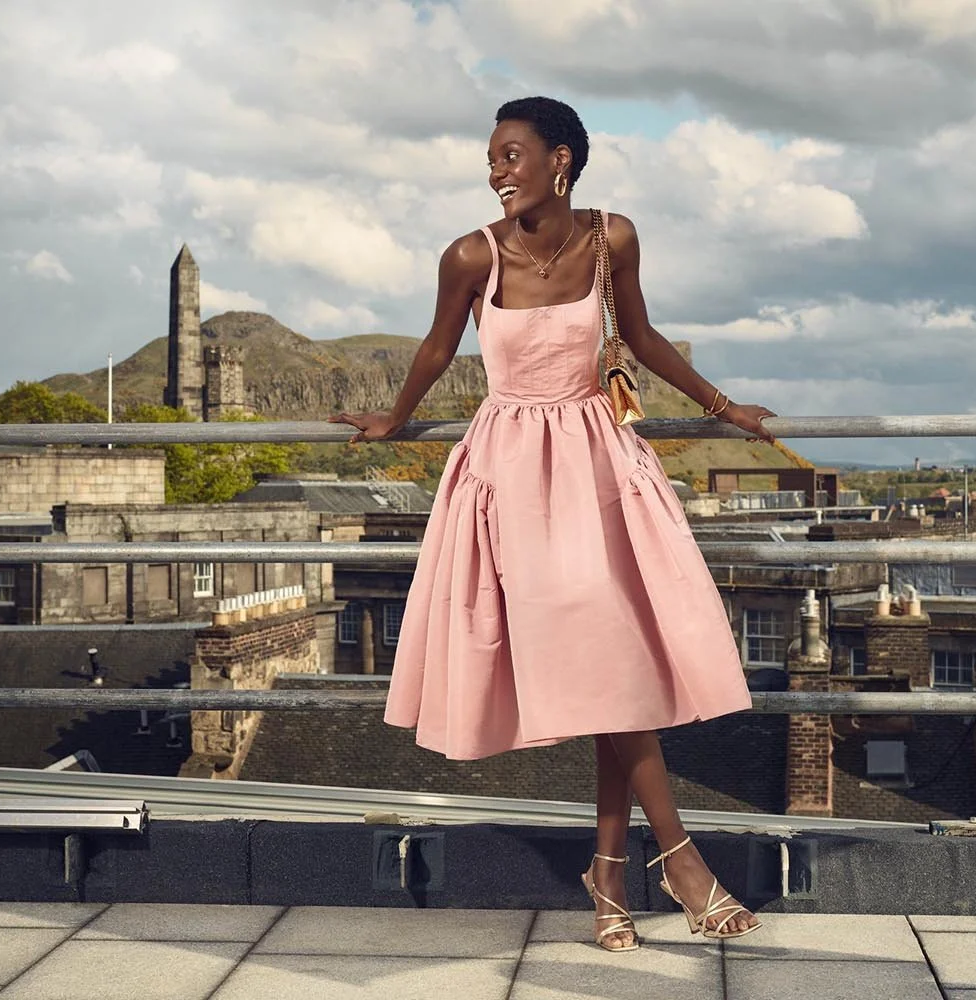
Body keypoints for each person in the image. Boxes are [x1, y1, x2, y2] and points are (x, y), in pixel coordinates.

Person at [331, 96, 775, 951]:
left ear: (560, 159)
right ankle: (677, 860)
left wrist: (725, 408)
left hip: (599, 463)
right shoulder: (470, 255)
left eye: (512, 155)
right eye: (492, 158)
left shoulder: (613, 239)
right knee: (609, 668)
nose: (495, 171)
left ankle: (611, 878)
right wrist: (395, 416)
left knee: (618, 670)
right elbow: (436, 347)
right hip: (510, 474)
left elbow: (639, 337)